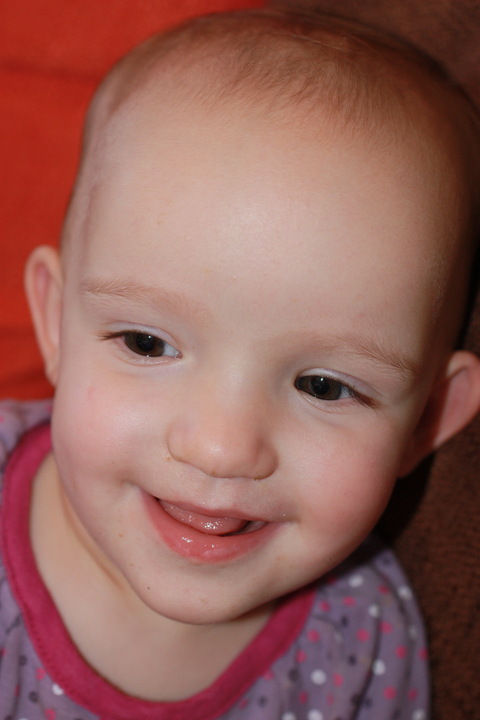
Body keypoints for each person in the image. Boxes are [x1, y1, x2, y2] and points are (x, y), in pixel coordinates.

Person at [1, 8, 479, 719]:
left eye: (323, 385)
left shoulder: (361, 647)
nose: (222, 448)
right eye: (147, 343)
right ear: (54, 323)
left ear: (427, 420)